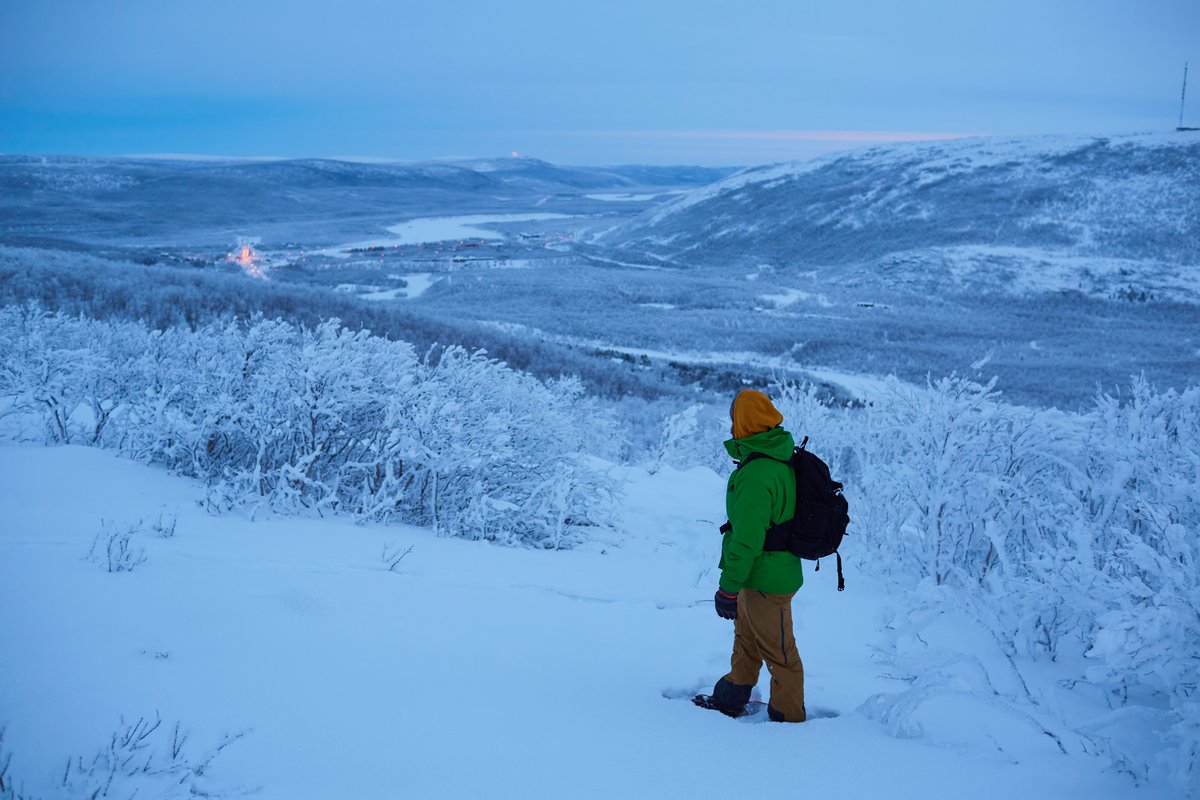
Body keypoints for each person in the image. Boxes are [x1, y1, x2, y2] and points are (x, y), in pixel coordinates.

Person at [707, 389, 806, 722]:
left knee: (781, 656)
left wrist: (727, 587)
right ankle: (732, 695)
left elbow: (748, 540)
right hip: (761, 575)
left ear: (744, 423)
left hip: (767, 580)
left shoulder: (756, 473)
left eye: (734, 419)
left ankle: (789, 721)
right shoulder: (777, 457)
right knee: (746, 640)